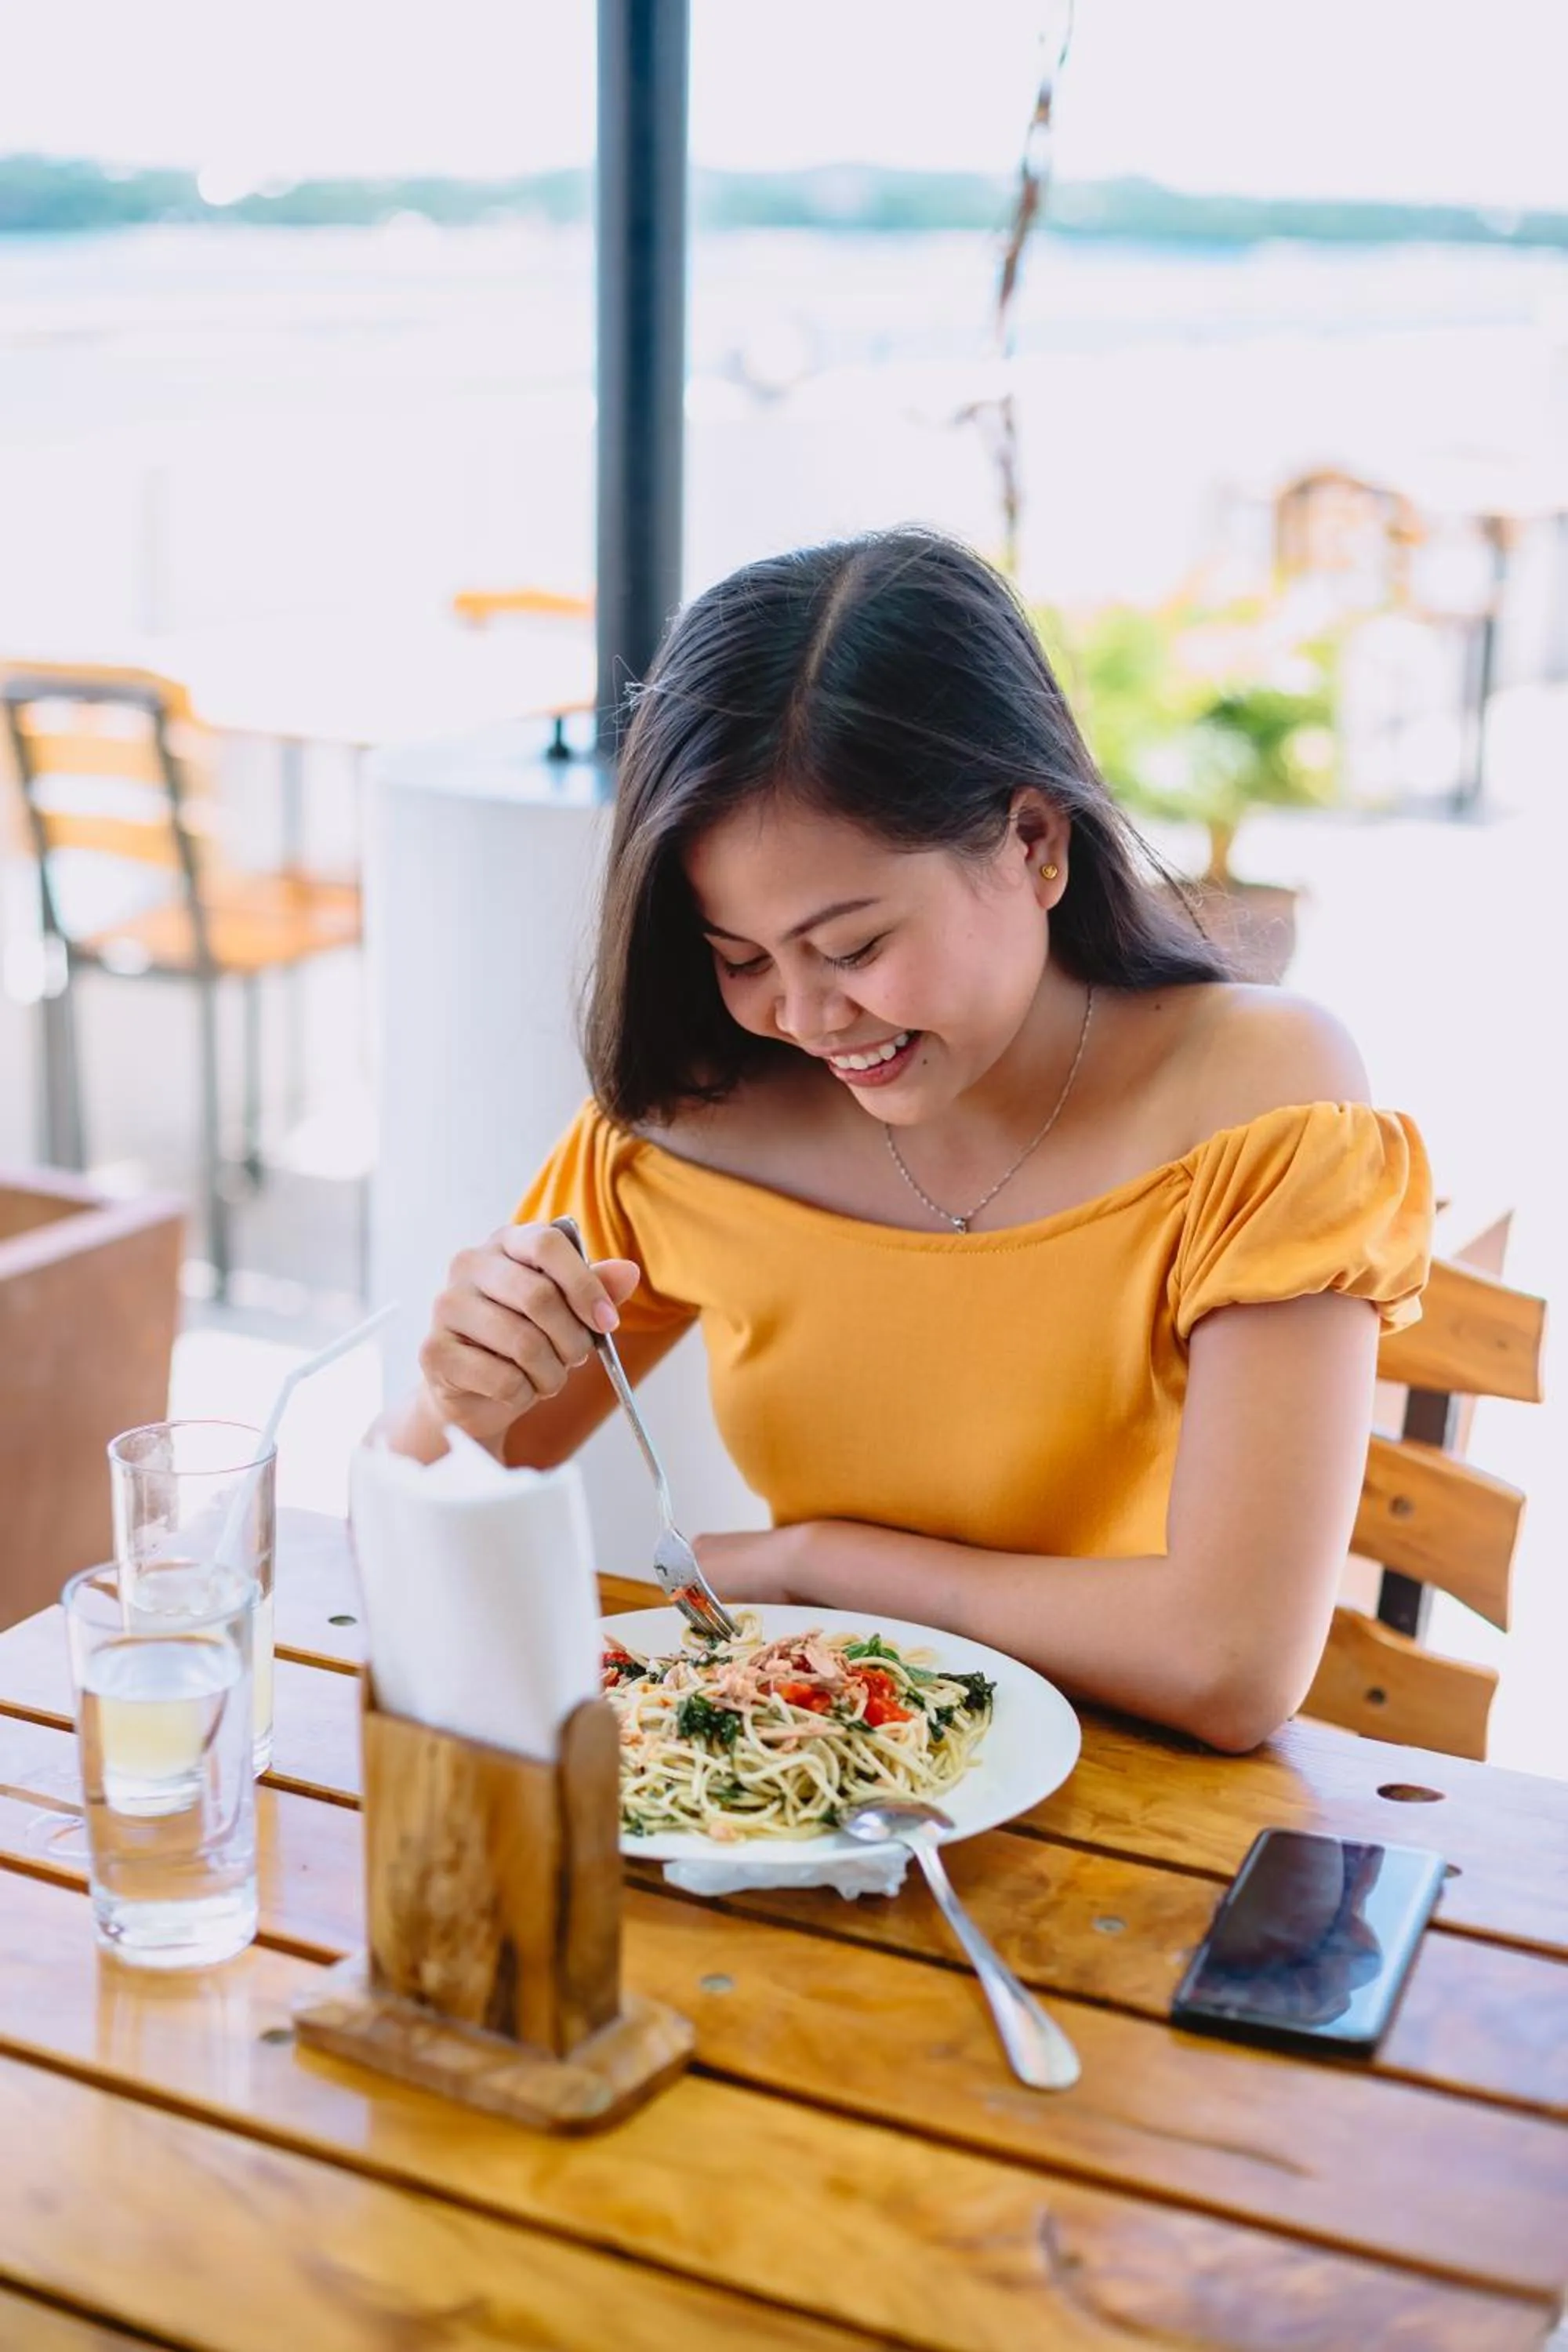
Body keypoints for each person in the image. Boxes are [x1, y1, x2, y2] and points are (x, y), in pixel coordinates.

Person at [383, 529, 1432, 1752]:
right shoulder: (693, 1123)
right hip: (816, 1795)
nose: (808, 1017)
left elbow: (1231, 1662)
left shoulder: (1260, 1096)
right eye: (741, 960)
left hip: (1142, 1823)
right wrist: (455, 1398)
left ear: (1034, 842)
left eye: (854, 948)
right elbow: (409, 1529)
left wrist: (817, 1563)